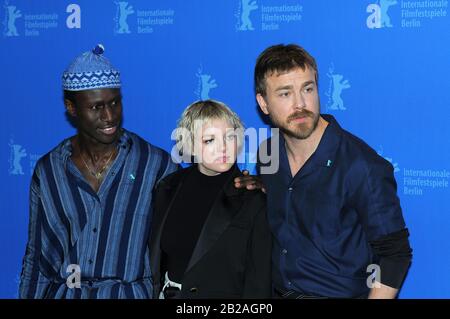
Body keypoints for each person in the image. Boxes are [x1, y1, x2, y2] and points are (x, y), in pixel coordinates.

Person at [252, 44, 412, 299]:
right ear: (263, 103)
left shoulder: (362, 166)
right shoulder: (267, 153)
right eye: (285, 94)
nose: (300, 104)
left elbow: (395, 255)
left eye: (308, 89)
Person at [19, 44, 178, 299]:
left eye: (115, 103)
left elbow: (184, 240)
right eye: (96, 107)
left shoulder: (156, 165)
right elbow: (38, 259)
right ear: (72, 108)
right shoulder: (49, 171)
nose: (109, 116)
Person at [149, 100, 272, 299]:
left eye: (229, 137)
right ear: (190, 145)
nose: (223, 148)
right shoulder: (167, 188)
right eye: (209, 140)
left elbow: (259, 283)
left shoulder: (254, 197)